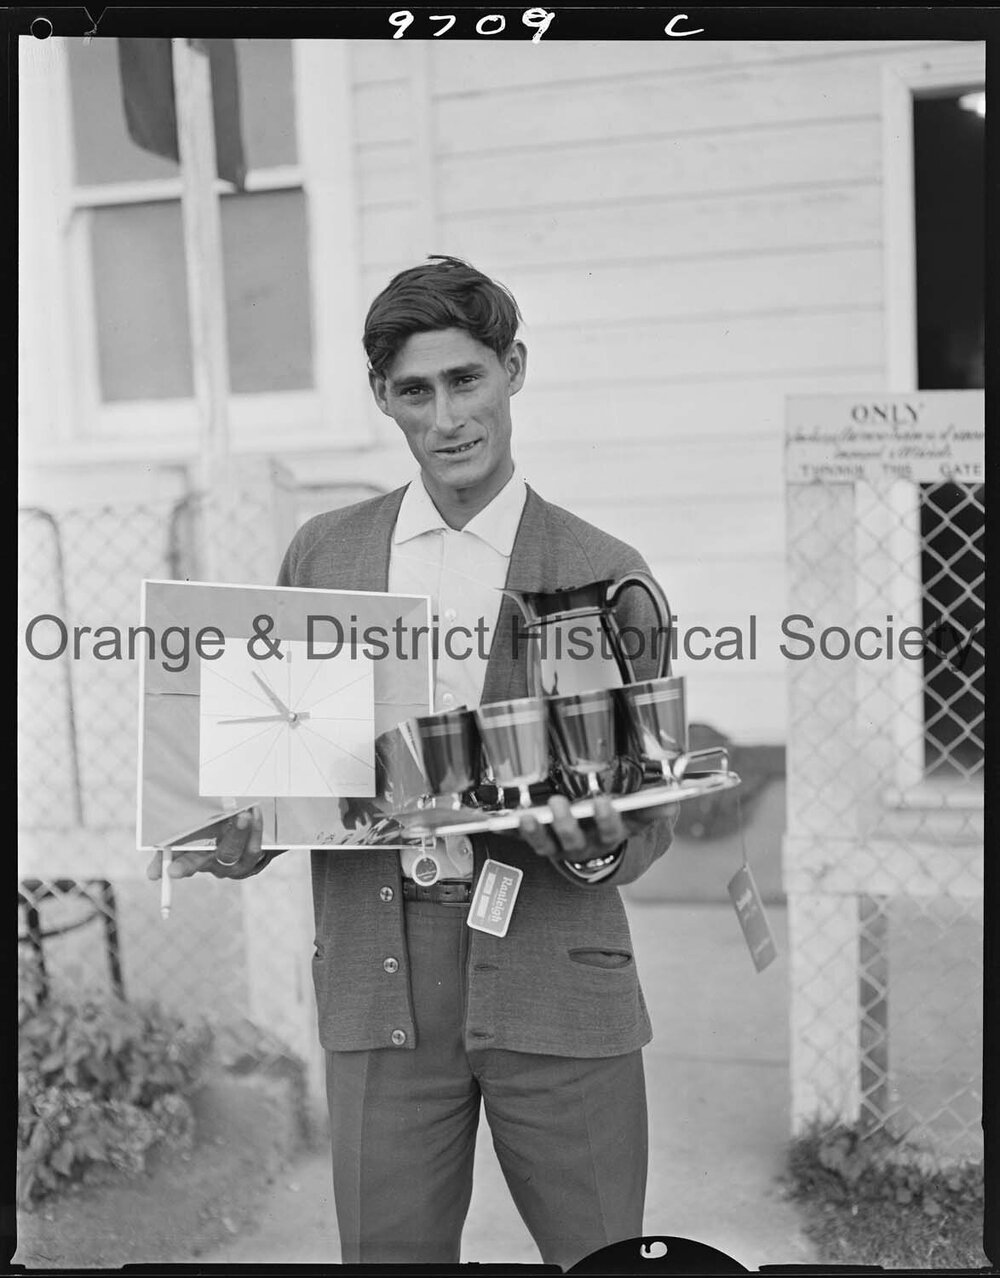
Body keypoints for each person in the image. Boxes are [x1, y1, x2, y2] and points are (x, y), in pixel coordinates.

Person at [149, 257, 678, 1268]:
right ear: (381, 397)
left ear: (513, 369)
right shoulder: (326, 555)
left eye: (465, 379)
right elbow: (291, 767)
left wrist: (601, 845)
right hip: (378, 978)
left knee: (604, 1257)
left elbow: (646, 816)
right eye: (414, 391)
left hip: (557, 975)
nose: (446, 418)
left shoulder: (602, 571)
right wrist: (243, 830)